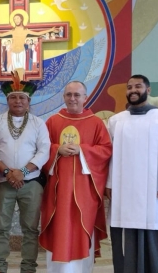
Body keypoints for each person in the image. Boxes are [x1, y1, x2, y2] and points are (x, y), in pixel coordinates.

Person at [106, 74, 158, 273]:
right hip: (125, 194)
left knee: (156, 234)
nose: (133, 90)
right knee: (128, 236)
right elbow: (109, 155)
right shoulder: (116, 121)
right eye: (129, 87)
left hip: (155, 194)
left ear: (148, 90)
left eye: (138, 86)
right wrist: (109, 183)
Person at [39, 81, 112, 273]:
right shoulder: (53, 121)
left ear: (85, 98)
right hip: (58, 190)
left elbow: (106, 150)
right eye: (69, 94)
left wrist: (82, 150)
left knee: (81, 229)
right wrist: (57, 149)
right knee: (59, 231)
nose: (72, 98)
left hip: (84, 190)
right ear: (63, 97)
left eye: (77, 95)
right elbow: (41, 150)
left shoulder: (96, 123)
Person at [0, 87, 50, 273]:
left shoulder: (38, 123)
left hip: (30, 183)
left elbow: (44, 151)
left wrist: (23, 171)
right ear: (7, 101)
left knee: (30, 229)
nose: (18, 101)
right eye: (13, 97)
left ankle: (28, 268)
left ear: (28, 101)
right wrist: (8, 172)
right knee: (1, 229)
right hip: (3, 183)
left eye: (22, 97)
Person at [0, 13, 55, 79]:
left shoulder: (26, 30)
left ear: (21, 19)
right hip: (13, 51)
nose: (16, 20)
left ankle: (21, 84)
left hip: (21, 51)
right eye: (14, 19)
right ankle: (16, 85)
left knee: (21, 69)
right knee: (14, 69)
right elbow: (1, 35)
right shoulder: (12, 31)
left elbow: (38, 33)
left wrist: (51, 30)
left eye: (17, 18)